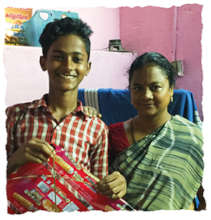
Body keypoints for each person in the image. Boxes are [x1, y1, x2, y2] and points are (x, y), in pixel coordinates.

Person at [98, 52, 204, 210]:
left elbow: (203, 195)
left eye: (155, 87)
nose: (146, 95)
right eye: (137, 88)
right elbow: (98, 184)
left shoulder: (193, 136)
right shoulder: (112, 134)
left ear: (171, 90)